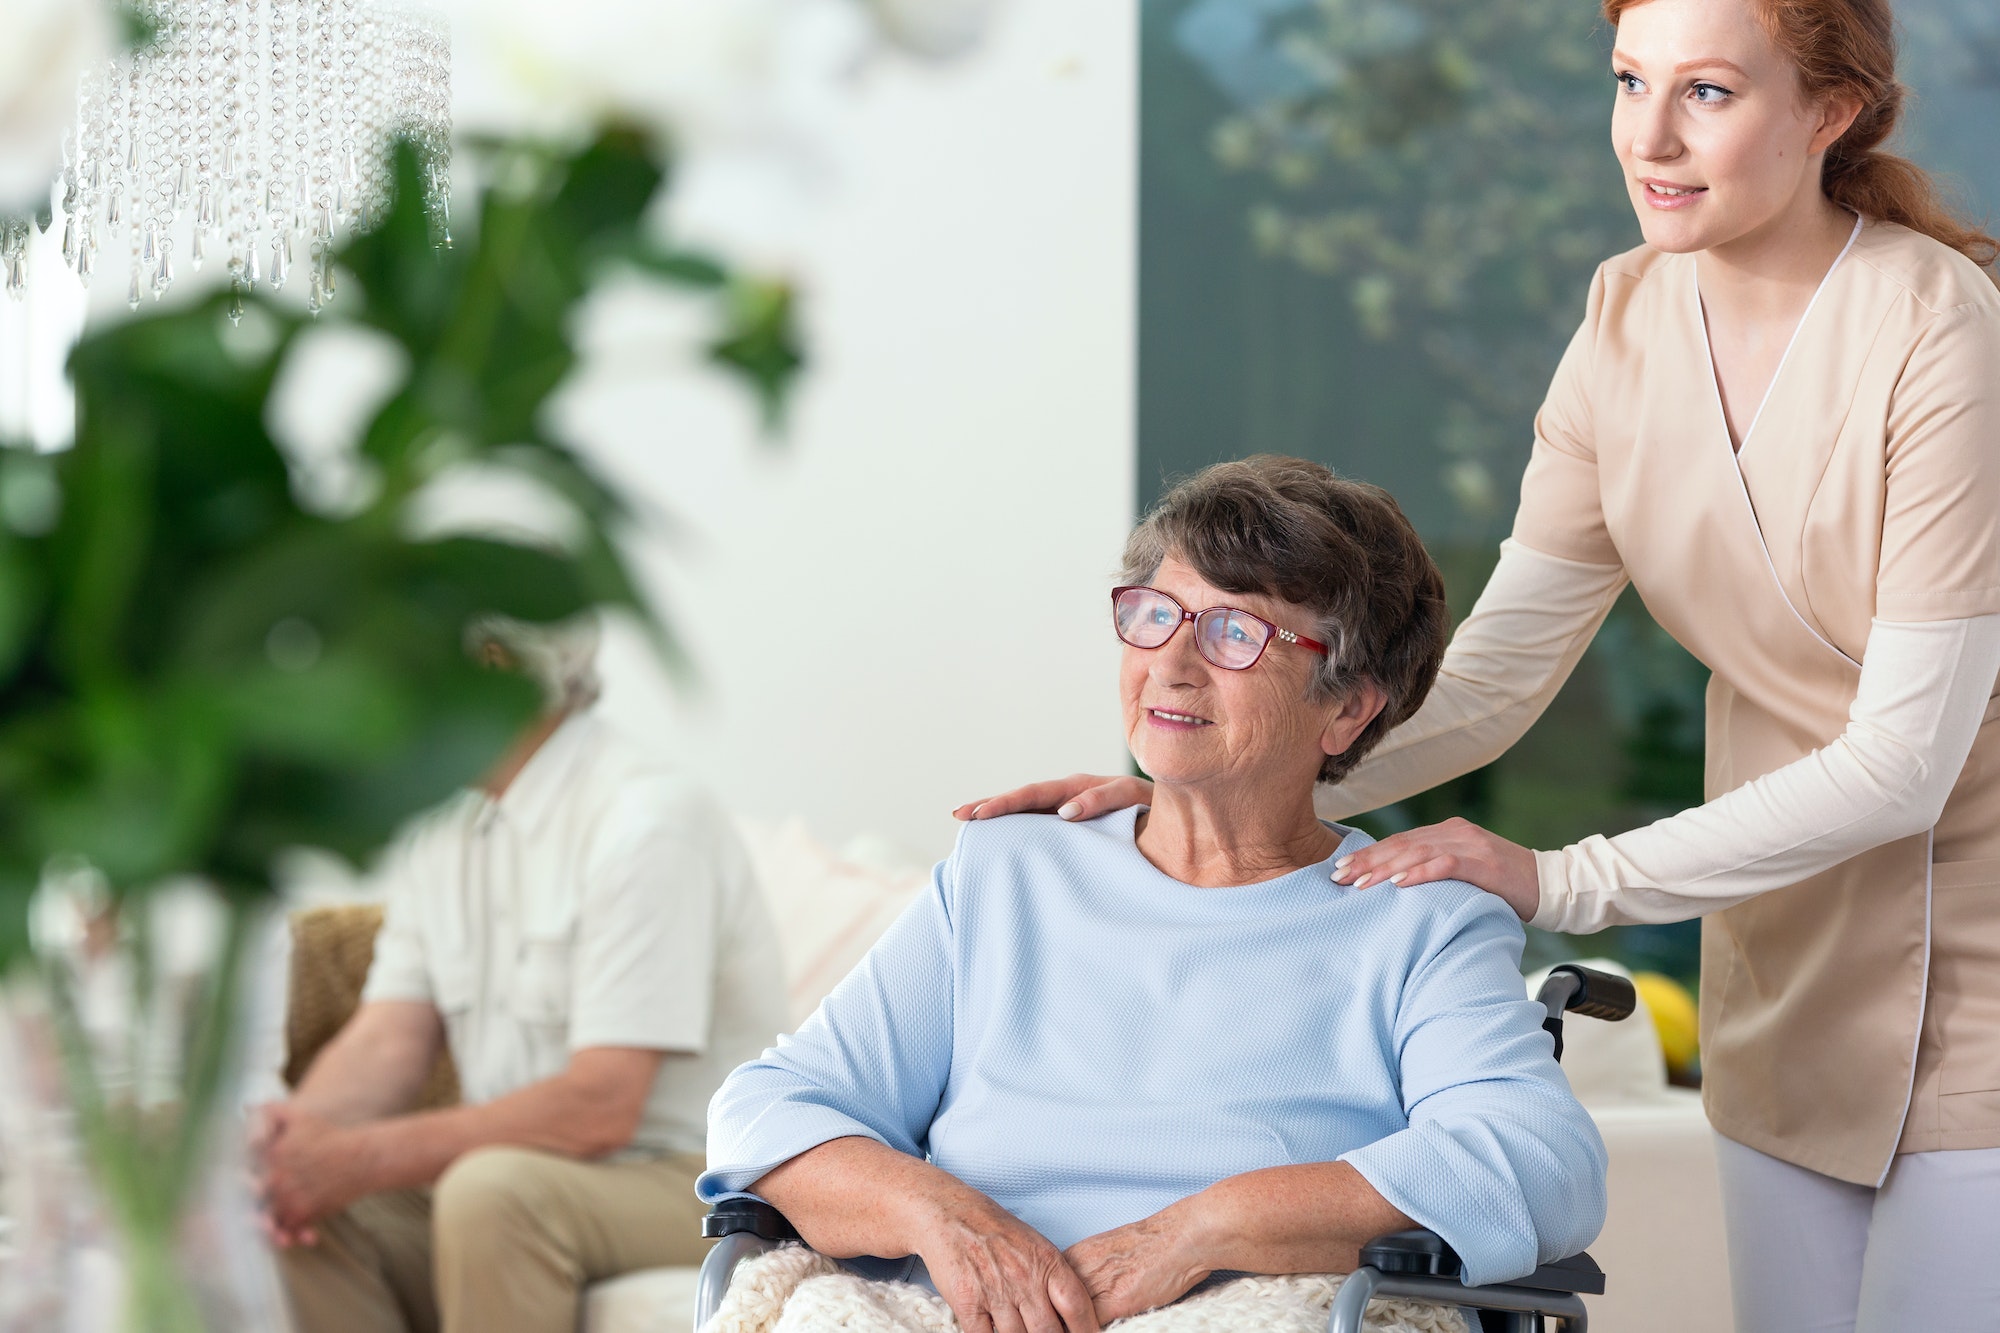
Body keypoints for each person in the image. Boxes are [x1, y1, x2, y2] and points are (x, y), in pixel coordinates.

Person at [962, 1, 2000, 1329]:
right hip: (1785, 937)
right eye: (1631, 83)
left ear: (1832, 112)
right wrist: (1216, 790)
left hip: (1968, 925)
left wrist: (1562, 880)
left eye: (1711, 94)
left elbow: (1906, 766)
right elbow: (1505, 669)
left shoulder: (1934, 327)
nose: (1653, 139)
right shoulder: (1624, 321)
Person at [701, 458, 1607, 1333]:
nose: (1171, 664)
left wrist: (1199, 1230)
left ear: (1348, 708)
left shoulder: (1419, 916)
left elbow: (1538, 1162)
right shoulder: (1008, 871)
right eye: (1155, 613)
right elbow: (770, 1106)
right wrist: (945, 1217)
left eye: (1235, 632)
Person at [255, 617, 787, 1333]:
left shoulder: (647, 820)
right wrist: (289, 1153)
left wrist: (358, 1155)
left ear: (496, 669)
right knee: (290, 1210)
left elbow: (601, 1104)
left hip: (696, 1177)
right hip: (534, 1169)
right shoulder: (441, 826)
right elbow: (386, 1039)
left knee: (491, 1190)